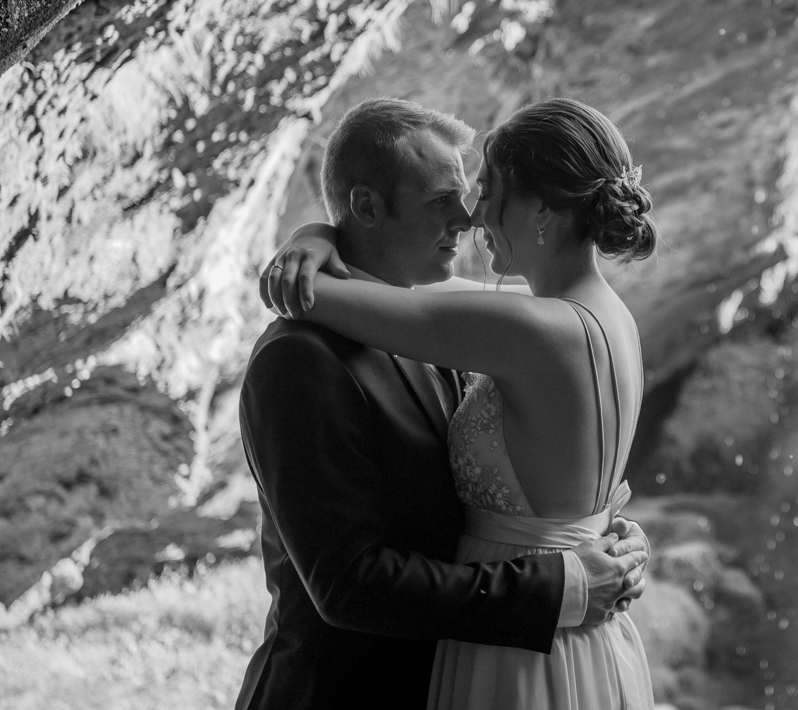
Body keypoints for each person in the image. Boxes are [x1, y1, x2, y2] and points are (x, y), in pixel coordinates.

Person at [238, 97, 649, 710]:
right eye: (441, 200)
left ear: (543, 210)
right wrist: (316, 236)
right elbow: (349, 586)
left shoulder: (487, 328)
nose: (468, 216)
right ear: (367, 207)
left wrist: (314, 243)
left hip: (499, 659)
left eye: (479, 192)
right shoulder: (299, 360)